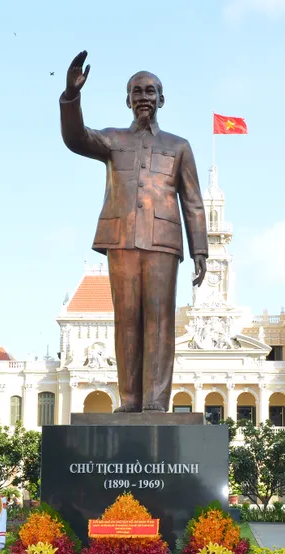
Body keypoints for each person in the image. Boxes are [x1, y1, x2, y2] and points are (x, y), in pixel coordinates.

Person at [59, 50, 208, 412]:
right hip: (121, 239)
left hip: (162, 243)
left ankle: (156, 402)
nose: (144, 97)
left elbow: (193, 201)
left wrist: (200, 250)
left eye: (150, 91)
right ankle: (129, 402)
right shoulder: (112, 141)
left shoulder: (179, 146)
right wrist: (71, 96)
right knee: (126, 320)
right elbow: (76, 137)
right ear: (128, 100)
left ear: (161, 99)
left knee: (159, 321)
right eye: (137, 91)